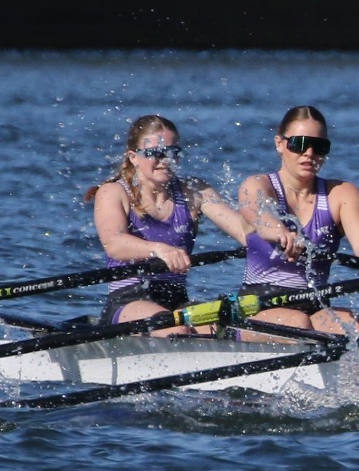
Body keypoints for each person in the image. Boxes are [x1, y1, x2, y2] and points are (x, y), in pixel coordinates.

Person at [88, 114, 247, 334]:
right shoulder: (113, 192)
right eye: (155, 153)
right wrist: (159, 249)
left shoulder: (194, 192)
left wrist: (282, 238)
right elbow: (114, 244)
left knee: (219, 328)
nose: (165, 160)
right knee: (176, 329)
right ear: (133, 157)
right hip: (128, 300)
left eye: (172, 152)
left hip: (177, 299)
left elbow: (245, 232)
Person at [234, 106, 359, 338]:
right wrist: (280, 231)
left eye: (319, 146)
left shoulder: (342, 194)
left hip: (315, 303)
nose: (309, 153)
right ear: (280, 144)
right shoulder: (258, 185)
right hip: (258, 305)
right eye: (299, 144)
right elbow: (259, 216)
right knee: (298, 323)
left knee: (354, 326)